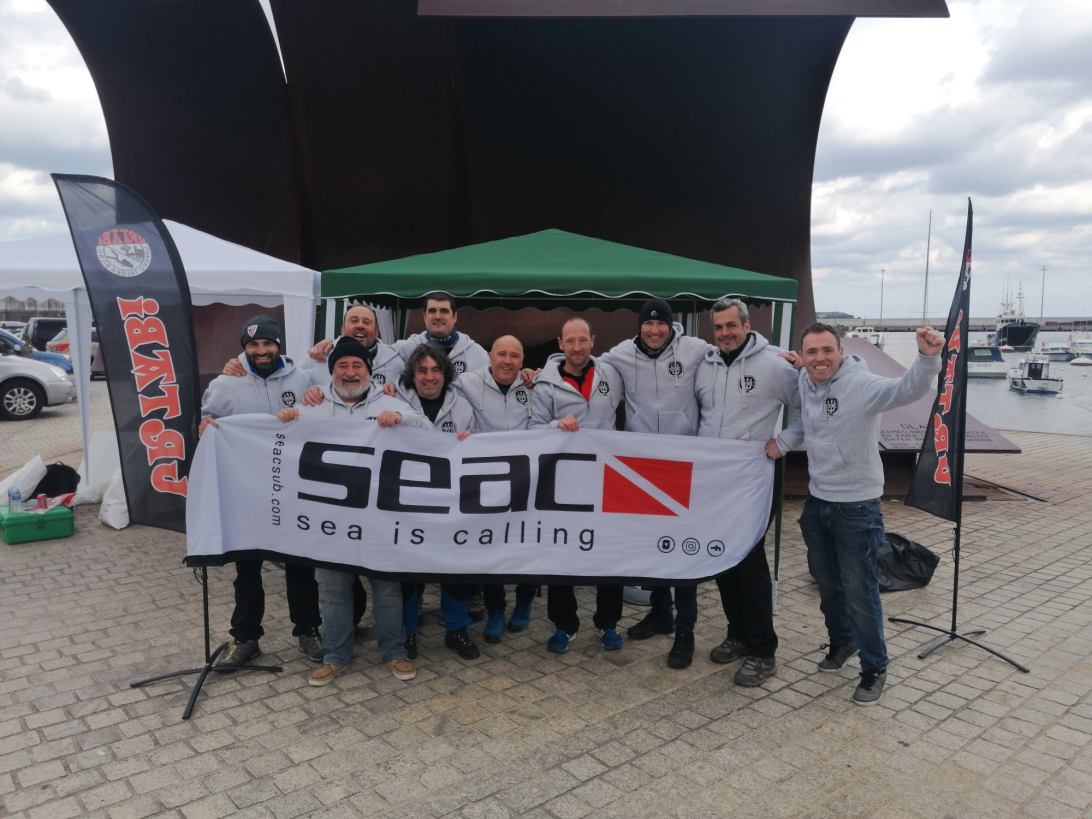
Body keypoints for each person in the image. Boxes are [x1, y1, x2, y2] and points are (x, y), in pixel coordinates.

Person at [768, 322, 944, 706]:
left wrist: (927, 358)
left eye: (827, 350)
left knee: (860, 592)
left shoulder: (861, 385)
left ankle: (875, 666)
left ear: (841, 352)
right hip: (818, 503)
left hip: (857, 509)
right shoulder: (807, 381)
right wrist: (782, 443)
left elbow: (907, 389)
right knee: (828, 584)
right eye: (811, 352)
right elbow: (806, 421)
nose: (819, 358)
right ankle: (842, 641)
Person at [276, 337, 426, 685]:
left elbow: (427, 432)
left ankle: (395, 651)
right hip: (329, 524)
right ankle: (334, 656)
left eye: (357, 365)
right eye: (342, 365)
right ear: (331, 372)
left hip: (378, 522)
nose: (349, 372)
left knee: (388, 591)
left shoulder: (390, 402)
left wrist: (402, 419)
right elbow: (279, 442)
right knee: (333, 592)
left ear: (368, 371)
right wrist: (282, 421)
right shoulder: (311, 408)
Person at [199, 315, 322, 667]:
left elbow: (321, 415)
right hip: (247, 490)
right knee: (247, 569)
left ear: (278, 345)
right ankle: (246, 637)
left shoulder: (301, 379)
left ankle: (309, 630)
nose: (261, 350)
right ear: (245, 348)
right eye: (253, 345)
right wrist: (203, 426)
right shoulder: (226, 383)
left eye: (267, 343)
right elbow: (208, 420)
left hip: (292, 488)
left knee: (300, 565)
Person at [599, 297, 710, 669]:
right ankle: (661, 614)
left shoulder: (694, 349)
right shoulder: (621, 353)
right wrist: (545, 368)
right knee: (655, 549)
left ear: (670, 324)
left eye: (661, 323)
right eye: (648, 324)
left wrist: (782, 355)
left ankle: (685, 633)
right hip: (642, 467)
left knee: (683, 554)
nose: (654, 330)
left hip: (682, 465)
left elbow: (731, 352)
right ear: (640, 326)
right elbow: (586, 362)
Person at [695, 298, 799, 687]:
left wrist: (784, 442)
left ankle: (763, 650)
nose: (725, 333)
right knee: (722, 556)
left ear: (746, 325)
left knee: (749, 561)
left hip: (754, 480)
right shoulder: (705, 365)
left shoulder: (774, 366)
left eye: (731, 326)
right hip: (714, 480)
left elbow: (809, 408)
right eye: (718, 327)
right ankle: (737, 633)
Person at [530, 318, 626, 653]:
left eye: (582, 340)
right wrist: (556, 425)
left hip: (605, 478)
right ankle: (564, 624)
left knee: (609, 552)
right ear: (560, 343)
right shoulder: (545, 383)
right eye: (570, 341)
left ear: (593, 341)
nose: (577, 347)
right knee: (562, 552)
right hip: (564, 481)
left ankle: (608, 623)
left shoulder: (611, 373)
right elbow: (533, 427)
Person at [395, 344, 480, 660]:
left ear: (445, 374)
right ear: (412, 375)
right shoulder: (395, 403)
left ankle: (456, 628)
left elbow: (476, 451)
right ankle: (407, 631)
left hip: (450, 501)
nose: (429, 377)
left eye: (435, 370)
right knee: (409, 571)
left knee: (452, 567)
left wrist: (470, 443)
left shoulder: (462, 407)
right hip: (409, 501)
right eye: (422, 371)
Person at [455, 335, 538, 643]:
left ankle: (525, 603)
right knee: (491, 548)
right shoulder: (466, 383)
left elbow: (544, 422)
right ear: (490, 356)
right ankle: (496, 610)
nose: (507, 361)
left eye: (514, 356)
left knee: (528, 547)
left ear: (522, 360)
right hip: (487, 480)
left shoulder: (534, 386)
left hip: (527, 480)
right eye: (502, 354)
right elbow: (427, 387)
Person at [392, 292, 489, 376]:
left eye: (444, 311)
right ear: (425, 317)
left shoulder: (476, 353)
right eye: (432, 311)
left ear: (454, 317)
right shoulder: (404, 349)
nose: (438, 316)